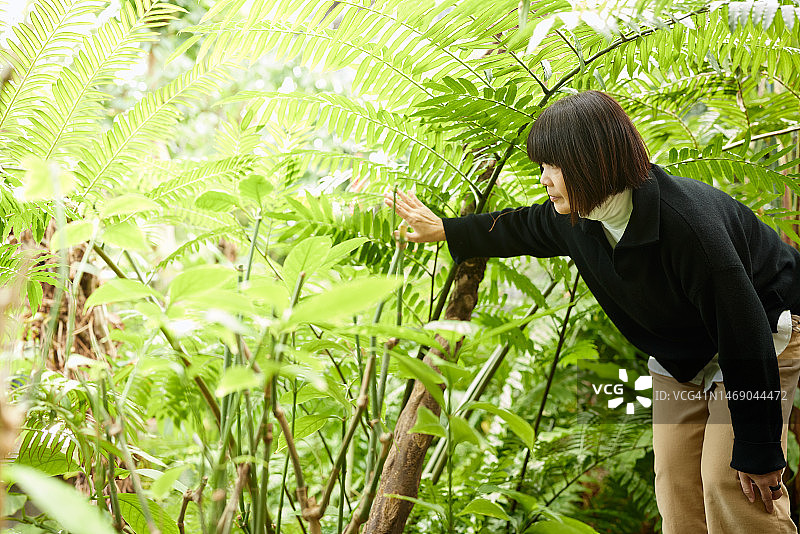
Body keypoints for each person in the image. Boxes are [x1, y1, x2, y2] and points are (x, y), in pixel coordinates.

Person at [383, 90, 800, 533]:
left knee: (731, 483)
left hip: (762, 336)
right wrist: (444, 229)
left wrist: (759, 450)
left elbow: (744, 333)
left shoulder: (688, 227)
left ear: (590, 160)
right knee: (676, 492)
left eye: (551, 167)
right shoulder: (579, 218)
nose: (543, 179)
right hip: (685, 355)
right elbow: (521, 227)